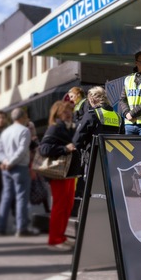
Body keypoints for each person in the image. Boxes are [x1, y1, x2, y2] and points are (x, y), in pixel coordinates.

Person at [39, 100, 81, 249]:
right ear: (57, 113)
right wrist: (64, 148)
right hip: (60, 173)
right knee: (60, 206)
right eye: (65, 111)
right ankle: (55, 239)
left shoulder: (69, 127)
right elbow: (44, 149)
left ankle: (61, 237)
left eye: (70, 110)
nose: (69, 113)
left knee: (67, 206)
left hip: (69, 173)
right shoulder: (55, 128)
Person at [0, 108, 38, 237]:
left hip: (7, 168)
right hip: (20, 167)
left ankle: (1, 226)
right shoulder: (24, 131)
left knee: (6, 196)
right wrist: (11, 162)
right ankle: (21, 228)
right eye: (25, 116)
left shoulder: (6, 131)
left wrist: (5, 161)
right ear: (22, 117)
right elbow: (22, 150)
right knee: (21, 198)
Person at [72, 86, 122, 173]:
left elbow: (78, 139)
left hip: (94, 159)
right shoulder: (117, 116)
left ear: (91, 99)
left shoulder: (92, 114)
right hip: (113, 161)